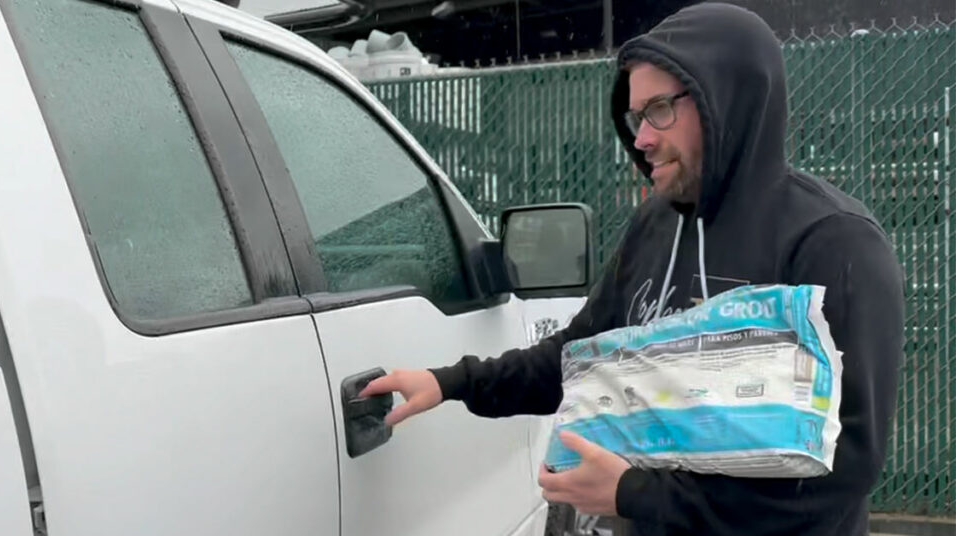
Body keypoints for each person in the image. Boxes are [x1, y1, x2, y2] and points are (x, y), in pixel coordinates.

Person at [360, 3, 905, 535]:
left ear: (728, 98)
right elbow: (578, 358)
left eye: (660, 110)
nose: (641, 138)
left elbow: (841, 469)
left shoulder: (833, 242)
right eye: (637, 115)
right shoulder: (654, 224)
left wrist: (635, 493)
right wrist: (451, 382)